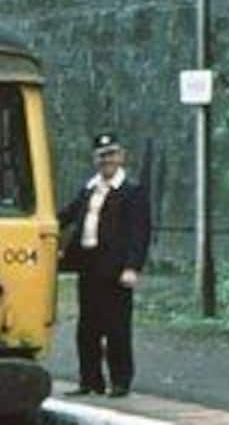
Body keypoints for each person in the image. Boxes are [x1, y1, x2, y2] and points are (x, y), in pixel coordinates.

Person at [57, 133, 151, 398]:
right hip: (89, 265)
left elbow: (139, 232)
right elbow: (67, 216)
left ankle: (120, 381)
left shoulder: (132, 191)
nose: (106, 160)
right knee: (87, 327)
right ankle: (90, 380)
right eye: (101, 156)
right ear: (94, 160)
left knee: (117, 327)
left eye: (111, 154)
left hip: (116, 269)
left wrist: (133, 267)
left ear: (121, 157)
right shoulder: (89, 188)